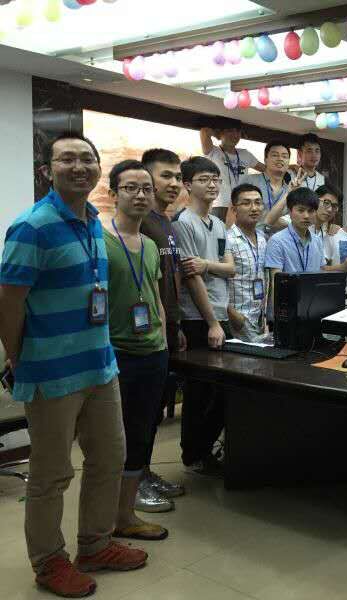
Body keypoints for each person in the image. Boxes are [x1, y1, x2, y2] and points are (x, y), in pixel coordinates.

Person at [0, 133, 146, 598]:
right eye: (67, 159)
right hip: (51, 371)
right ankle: (48, 561)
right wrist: (19, 359)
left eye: (87, 159)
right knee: (52, 474)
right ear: (48, 170)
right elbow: (9, 302)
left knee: (109, 458)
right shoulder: (32, 227)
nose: (79, 167)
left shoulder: (92, 220)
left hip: (100, 366)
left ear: (99, 168)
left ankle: (96, 545)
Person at [103, 160, 170, 541]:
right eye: (131, 188)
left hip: (153, 351)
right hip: (115, 354)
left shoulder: (149, 244)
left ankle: (125, 515)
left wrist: (162, 336)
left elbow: (155, 295)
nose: (141, 195)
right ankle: (105, 518)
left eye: (146, 188)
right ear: (114, 193)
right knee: (114, 440)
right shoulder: (100, 240)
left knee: (142, 434)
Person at [173, 156, 235, 475]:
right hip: (199, 318)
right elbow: (191, 276)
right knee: (199, 392)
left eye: (215, 179)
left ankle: (206, 449)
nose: (212, 184)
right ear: (187, 184)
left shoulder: (219, 223)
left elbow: (230, 268)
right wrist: (212, 323)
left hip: (220, 313)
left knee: (222, 390)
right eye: (203, 179)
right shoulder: (183, 223)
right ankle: (193, 455)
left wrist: (209, 264)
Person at [139, 148, 187, 508]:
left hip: (169, 326)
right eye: (166, 175)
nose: (174, 183)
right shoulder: (141, 221)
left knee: (153, 410)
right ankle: (134, 480)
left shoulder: (165, 222)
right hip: (144, 333)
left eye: (177, 177)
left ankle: (144, 471)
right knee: (140, 412)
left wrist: (177, 323)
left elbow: (170, 278)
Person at [265, 187, 327, 307]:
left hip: (311, 305)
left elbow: (320, 275)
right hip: (286, 306)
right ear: (290, 211)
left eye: (311, 211)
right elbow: (275, 282)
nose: (306, 216)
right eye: (301, 210)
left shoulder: (317, 241)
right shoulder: (277, 241)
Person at [226, 184, 269, 343]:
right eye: (246, 203)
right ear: (234, 209)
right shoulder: (227, 239)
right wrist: (233, 315)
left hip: (260, 318)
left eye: (258, 202)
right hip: (237, 320)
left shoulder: (263, 238)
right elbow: (214, 283)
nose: (254, 208)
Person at [200, 120, 265, 223]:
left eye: (238, 131)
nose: (235, 134)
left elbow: (267, 170)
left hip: (242, 205)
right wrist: (217, 134)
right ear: (221, 132)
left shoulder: (245, 154)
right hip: (221, 205)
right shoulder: (213, 151)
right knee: (219, 232)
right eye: (230, 130)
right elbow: (204, 131)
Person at [244, 140, 294, 236]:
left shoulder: (291, 191)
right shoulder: (250, 181)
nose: (280, 159)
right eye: (275, 155)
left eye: (284, 156)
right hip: (250, 239)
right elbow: (233, 213)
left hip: (279, 243)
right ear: (265, 159)